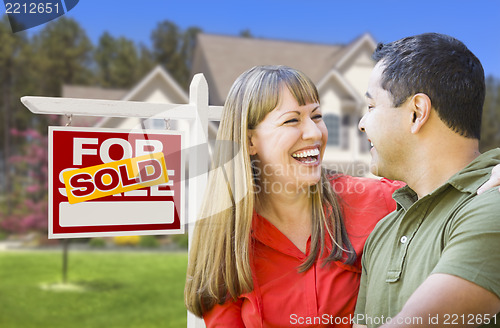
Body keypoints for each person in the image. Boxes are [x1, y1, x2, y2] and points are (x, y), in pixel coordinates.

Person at [184, 65, 500, 327]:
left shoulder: (373, 199)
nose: (314, 133)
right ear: (250, 140)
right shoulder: (229, 242)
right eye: (292, 120)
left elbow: (451, 183)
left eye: (317, 116)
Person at [353, 33, 500, 328]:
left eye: (371, 108)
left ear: (416, 113)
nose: (361, 124)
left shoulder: (491, 204)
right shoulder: (383, 232)